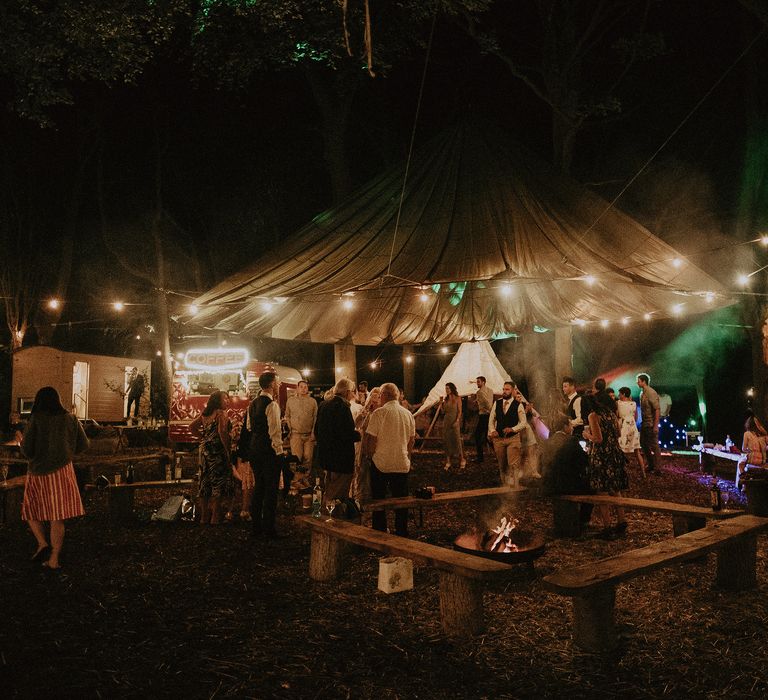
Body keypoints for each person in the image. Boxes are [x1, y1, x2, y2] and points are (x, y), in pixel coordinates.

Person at [20, 386, 89, 570]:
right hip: (62, 472)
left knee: (30, 510)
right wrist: (66, 451)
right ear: (58, 400)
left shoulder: (35, 419)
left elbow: (26, 450)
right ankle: (54, 558)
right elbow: (83, 445)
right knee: (57, 516)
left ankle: (42, 542)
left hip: (38, 473)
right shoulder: (71, 418)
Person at [364, 383, 416, 537]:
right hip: (401, 462)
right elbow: (411, 441)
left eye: (380, 395)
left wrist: (370, 455)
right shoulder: (408, 414)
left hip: (381, 462)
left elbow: (371, 439)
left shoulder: (379, 413)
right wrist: (407, 455)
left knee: (379, 499)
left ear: (384, 395)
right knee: (401, 500)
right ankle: (401, 530)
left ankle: (379, 529)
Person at [584, 391, 629, 537]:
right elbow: (618, 434)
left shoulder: (593, 416)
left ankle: (607, 527)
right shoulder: (611, 414)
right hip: (614, 453)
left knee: (602, 491)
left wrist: (586, 435)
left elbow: (598, 439)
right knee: (615, 489)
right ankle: (622, 522)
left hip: (601, 456)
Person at [247, 372, 285, 539]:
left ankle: (256, 526)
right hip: (268, 450)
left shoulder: (252, 404)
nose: (279, 385)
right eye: (277, 382)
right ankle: (269, 528)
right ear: (271, 384)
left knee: (259, 487)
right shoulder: (272, 405)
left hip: (255, 448)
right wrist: (279, 453)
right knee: (270, 489)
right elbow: (275, 432)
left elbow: (249, 427)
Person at [540, 412, 593, 530]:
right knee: (591, 489)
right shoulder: (571, 441)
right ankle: (584, 521)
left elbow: (541, 463)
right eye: (570, 425)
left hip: (549, 483)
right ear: (565, 427)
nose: (572, 427)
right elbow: (583, 462)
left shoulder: (548, 441)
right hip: (565, 485)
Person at [190, 390, 233, 525]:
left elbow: (192, 427)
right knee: (218, 483)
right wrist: (227, 450)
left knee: (204, 482)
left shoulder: (205, 414)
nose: (227, 401)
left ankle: (203, 517)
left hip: (204, 451)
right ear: (217, 401)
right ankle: (215, 517)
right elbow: (222, 432)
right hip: (217, 451)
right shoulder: (221, 414)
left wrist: (203, 438)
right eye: (225, 399)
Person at [316, 377, 361, 504]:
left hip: (326, 455)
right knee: (338, 491)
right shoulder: (342, 407)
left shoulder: (324, 405)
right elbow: (345, 433)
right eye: (352, 391)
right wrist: (358, 435)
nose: (353, 394)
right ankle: (333, 516)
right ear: (346, 392)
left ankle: (327, 511)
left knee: (329, 484)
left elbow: (317, 429)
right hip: (341, 458)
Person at [488, 380, 527, 487]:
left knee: (513, 464)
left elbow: (523, 422)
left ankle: (516, 487)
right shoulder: (497, 403)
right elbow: (491, 419)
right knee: (502, 464)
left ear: (513, 391)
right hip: (499, 439)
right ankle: (504, 487)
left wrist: (513, 429)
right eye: (503, 389)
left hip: (513, 438)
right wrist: (492, 431)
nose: (504, 391)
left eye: (507, 389)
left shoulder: (518, 405)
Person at [284, 380, 317, 495]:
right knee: (297, 458)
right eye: (301, 387)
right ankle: (297, 480)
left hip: (308, 435)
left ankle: (305, 478)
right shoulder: (291, 401)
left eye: (305, 387)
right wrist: (289, 429)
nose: (303, 389)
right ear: (297, 388)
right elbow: (287, 415)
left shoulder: (313, 402)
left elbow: (315, 418)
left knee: (308, 457)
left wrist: (313, 432)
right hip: (296, 434)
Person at [352, 387, 381, 501]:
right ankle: (360, 494)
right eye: (373, 396)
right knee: (361, 469)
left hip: (377, 443)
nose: (375, 399)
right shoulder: (365, 410)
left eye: (378, 396)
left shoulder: (382, 411)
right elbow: (357, 424)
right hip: (363, 442)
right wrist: (366, 409)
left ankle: (373, 494)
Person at [617, 386, 646, 476]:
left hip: (624, 426)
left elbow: (617, 415)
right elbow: (636, 417)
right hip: (632, 427)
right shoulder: (633, 404)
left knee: (620, 449)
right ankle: (643, 472)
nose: (618, 395)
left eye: (620, 393)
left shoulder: (618, 403)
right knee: (637, 451)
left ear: (624, 394)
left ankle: (620, 472)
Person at [636, 373, 661, 474]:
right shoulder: (642, 393)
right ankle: (651, 465)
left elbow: (657, 409)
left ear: (643, 381)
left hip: (650, 423)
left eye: (638, 381)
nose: (637, 382)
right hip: (645, 423)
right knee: (643, 444)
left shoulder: (651, 392)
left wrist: (655, 425)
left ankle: (658, 468)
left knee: (654, 445)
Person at [514, 387, 541, 480]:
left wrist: (530, 410)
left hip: (527, 431)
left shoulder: (525, 406)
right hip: (518, 432)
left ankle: (534, 471)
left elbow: (536, 416)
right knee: (522, 453)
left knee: (531, 451)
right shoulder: (512, 407)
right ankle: (520, 472)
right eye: (517, 397)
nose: (519, 399)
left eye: (519, 397)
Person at [442, 382, 466, 471]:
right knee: (447, 440)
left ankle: (462, 459)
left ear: (452, 389)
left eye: (448, 388)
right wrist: (441, 404)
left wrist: (457, 421)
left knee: (456, 440)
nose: (446, 390)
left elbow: (460, 411)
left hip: (454, 420)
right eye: (446, 388)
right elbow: (443, 412)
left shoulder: (457, 398)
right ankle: (448, 461)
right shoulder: (446, 399)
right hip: (446, 420)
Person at [474, 376, 494, 463]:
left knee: (477, 436)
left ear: (483, 382)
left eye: (478, 382)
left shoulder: (479, 392)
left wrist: (488, 409)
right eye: (477, 382)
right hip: (489, 415)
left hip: (484, 416)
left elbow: (487, 403)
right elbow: (489, 402)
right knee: (488, 437)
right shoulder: (490, 391)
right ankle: (499, 453)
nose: (477, 383)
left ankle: (480, 457)